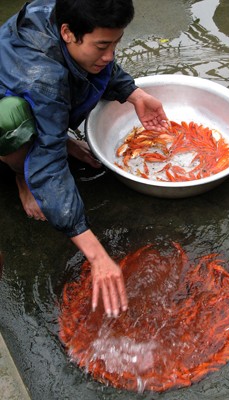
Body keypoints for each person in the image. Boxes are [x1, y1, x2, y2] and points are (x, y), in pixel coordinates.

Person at [0, 0, 168, 318]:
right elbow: (50, 167)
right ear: (67, 32)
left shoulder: (71, 12)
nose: (110, 55)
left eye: (115, 43)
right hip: (9, 104)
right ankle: (20, 171)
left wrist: (136, 95)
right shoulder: (43, 78)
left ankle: (56, 137)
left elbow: (101, 64)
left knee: (80, 77)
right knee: (12, 124)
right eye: (103, 45)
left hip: (39, 90)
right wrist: (97, 255)